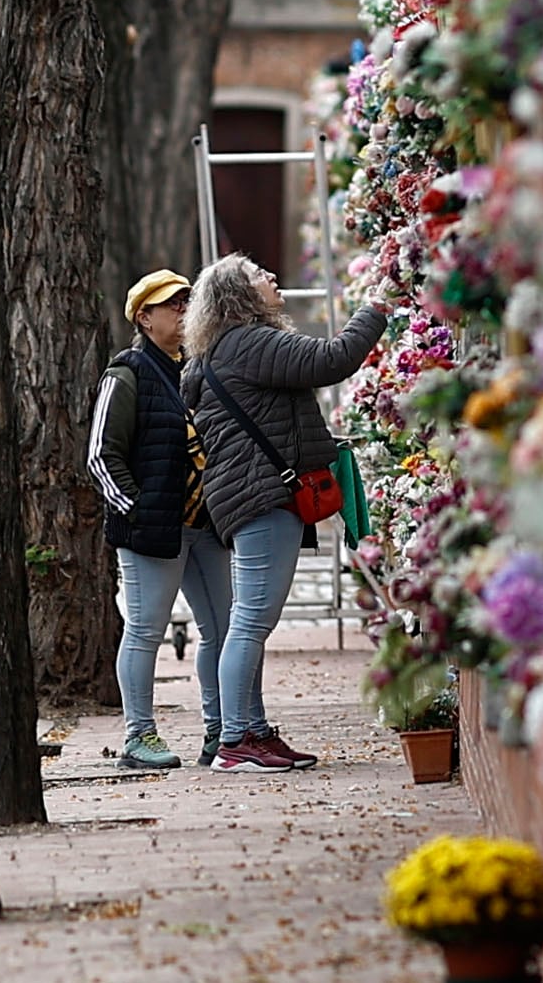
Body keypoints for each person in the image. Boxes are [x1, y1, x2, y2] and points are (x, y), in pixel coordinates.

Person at [183, 253, 389, 770]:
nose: (271, 277)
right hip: (262, 496)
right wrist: (377, 307)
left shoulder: (221, 351)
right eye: (258, 275)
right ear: (239, 296)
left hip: (250, 495)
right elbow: (333, 359)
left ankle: (252, 730)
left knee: (248, 621)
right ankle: (234, 742)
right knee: (250, 622)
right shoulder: (249, 342)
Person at [91, 268, 233, 770]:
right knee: (146, 631)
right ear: (144, 317)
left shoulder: (195, 368)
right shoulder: (126, 373)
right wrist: (139, 510)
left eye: (188, 301)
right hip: (154, 531)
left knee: (224, 627)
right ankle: (139, 737)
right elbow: (101, 456)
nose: (183, 309)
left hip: (205, 526)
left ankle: (223, 731)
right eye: (173, 303)